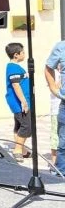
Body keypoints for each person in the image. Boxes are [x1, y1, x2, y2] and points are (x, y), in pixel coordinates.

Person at [3, 43, 31, 161]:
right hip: (18, 103)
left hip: (19, 102)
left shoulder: (15, 67)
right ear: (16, 55)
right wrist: (24, 102)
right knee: (26, 126)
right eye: (23, 52)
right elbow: (16, 86)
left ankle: (22, 150)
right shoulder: (13, 68)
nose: (24, 54)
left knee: (19, 125)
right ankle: (18, 150)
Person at [44, 41, 65, 176]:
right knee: (63, 143)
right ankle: (61, 172)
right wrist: (52, 87)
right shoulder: (61, 47)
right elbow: (48, 68)